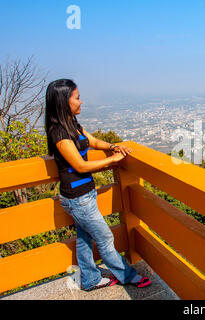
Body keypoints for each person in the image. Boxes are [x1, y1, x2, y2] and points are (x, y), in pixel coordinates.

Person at [45, 79, 151, 291]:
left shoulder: (71, 124)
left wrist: (113, 146)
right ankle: (128, 276)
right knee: (105, 237)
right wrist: (113, 160)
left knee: (84, 239)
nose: (81, 101)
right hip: (77, 199)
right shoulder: (59, 133)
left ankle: (90, 279)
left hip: (84, 195)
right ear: (64, 101)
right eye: (77, 97)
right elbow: (80, 166)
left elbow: (92, 141)